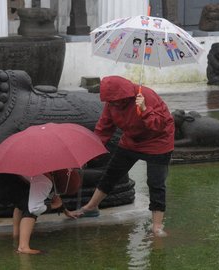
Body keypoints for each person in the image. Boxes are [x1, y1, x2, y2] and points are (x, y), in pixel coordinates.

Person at [71, 76, 175, 237]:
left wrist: (145, 109)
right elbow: (104, 128)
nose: (115, 105)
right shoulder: (112, 104)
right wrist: (90, 152)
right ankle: (91, 207)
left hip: (158, 142)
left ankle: (157, 225)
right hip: (131, 140)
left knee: (155, 183)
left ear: (126, 95)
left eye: (118, 101)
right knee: (112, 173)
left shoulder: (146, 95)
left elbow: (158, 125)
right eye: (111, 102)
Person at [0, 171, 75, 254]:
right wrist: (54, 205)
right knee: (29, 207)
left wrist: (66, 211)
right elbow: (35, 209)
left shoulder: (49, 174)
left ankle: (16, 236)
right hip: (4, 177)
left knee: (23, 202)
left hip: (0, 172)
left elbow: (54, 194)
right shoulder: (45, 181)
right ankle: (23, 247)